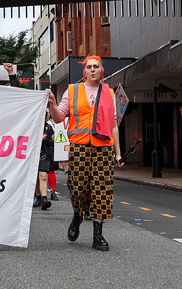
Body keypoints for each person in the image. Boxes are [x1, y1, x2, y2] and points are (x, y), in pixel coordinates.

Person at [48, 55, 123, 251]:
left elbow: (114, 125)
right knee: (77, 186)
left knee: (102, 190)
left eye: (96, 67)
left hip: (103, 147)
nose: (92, 70)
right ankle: (77, 214)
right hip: (79, 146)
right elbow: (58, 118)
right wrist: (53, 105)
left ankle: (98, 235)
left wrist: (118, 154)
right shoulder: (72, 91)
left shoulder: (109, 93)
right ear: (84, 72)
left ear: (101, 70)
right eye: (89, 67)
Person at [34, 109, 54, 210]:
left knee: (43, 175)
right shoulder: (32, 126)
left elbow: (52, 143)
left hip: (44, 154)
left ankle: (44, 198)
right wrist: (39, 139)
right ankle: (38, 198)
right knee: (35, 177)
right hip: (33, 155)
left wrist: (47, 139)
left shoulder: (49, 127)